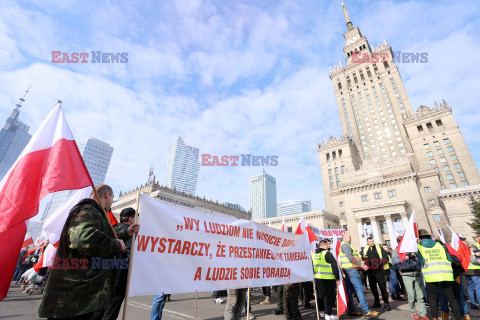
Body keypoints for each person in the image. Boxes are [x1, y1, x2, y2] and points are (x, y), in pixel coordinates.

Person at [38, 184, 126, 320]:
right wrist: (116, 244)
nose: (112, 202)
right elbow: (85, 239)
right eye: (112, 198)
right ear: (107, 195)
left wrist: (126, 234)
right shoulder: (87, 211)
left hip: (82, 295)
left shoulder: (94, 213)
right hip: (74, 298)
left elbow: (102, 237)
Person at [101, 207, 140, 320]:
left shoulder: (114, 228)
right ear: (130, 219)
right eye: (136, 217)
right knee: (111, 312)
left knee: (100, 310)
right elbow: (128, 254)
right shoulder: (130, 232)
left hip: (106, 275)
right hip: (119, 277)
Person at [417, 229, 461, 320]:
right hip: (446, 274)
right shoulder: (439, 245)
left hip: (431, 275)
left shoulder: (419, 247)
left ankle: (435, 318)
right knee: (452, 298)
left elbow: (421, 261)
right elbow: (450, 259)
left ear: (420, 238)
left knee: (433, 298)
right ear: (429, 236)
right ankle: (458, 318)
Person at [339, 232, 378, 317]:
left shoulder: (345, 245)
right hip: (351, 270)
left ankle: (351, 310)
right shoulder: (345, 245)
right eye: (349, 237)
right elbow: (350, 257)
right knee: (359, 289)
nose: (351, 239)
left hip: (349, 270)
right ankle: (367, 311)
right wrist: (361, 264)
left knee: (349, 291)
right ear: (345, 238)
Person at [392, 240, 428, 320]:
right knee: (411, 295)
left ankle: (423, 314)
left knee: (420, 296)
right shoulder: (397, 250)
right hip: (406, 275)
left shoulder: (414, 248)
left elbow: (422, 260)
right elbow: (394, 263)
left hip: (417, 274)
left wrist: (415, 257)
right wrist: (404, 259)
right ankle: (413, 312)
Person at [312, 240, 340, 320]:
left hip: (317, 278)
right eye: (328, 245)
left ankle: (322, 312)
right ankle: (328, 314)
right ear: (324, 246)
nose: (329, 246)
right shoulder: (327, 253)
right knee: (329, 297)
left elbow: (311, 266)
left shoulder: (313, 254)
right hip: (328, 279)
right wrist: (337, 277)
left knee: (321, 296)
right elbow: (334, 265)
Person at [362, 237, 391, 311]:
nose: (372, 242)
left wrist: (378, 264)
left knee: (382, 287)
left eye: (372, 241)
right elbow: (363, 259)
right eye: (370, 241)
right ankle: (377, 302)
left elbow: (386, 257)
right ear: (368, 242)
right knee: (373, 288)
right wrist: (364, 260)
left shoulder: (378, 247)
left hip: (379, 271)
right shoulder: (366, 249)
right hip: (370, 272)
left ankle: (386, 303)